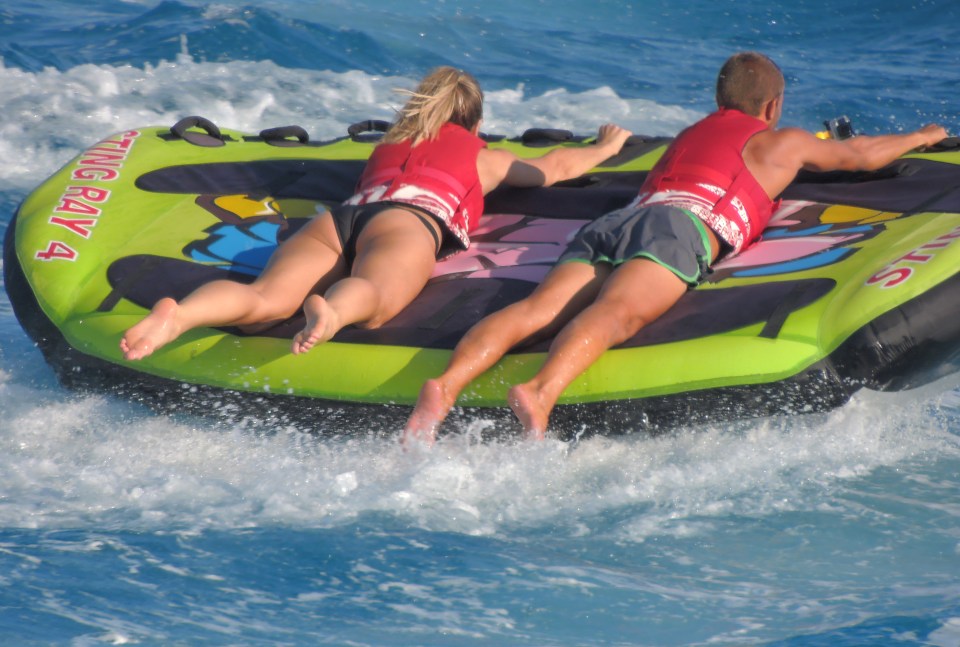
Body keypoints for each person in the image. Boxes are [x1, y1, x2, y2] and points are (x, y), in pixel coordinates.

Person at [403, 51, 949, 446]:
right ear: (774, 105)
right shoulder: (778, 141)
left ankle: (445, 384)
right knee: (616, 314)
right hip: (680, 228)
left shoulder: (689, 132)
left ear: (719, 100)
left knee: (537, 309)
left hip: (621, 221)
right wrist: (920, 137)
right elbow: (860, 155)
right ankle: (541, 391)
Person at [120, 66, 632, 361]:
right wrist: (607, 148)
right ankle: (334, 311)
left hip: (341, 219)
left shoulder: (390, 144)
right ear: (474, 122)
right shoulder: (483, 156)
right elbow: (555, 166)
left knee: (266, 298)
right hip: (408, 221)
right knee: (381, 296)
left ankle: (180, 313)